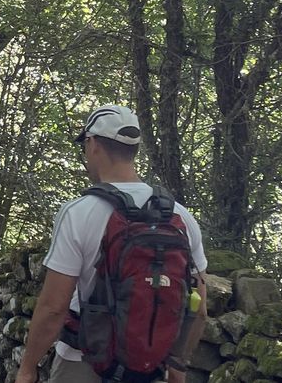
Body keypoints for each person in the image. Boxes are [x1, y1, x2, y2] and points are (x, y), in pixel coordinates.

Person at [16, 105, 209, 383]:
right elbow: (198, 308)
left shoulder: (79, 213)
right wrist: (178, 366)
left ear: (92, 144)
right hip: (149, 367)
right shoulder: (180, 216)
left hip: (83, 363)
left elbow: (53, 308)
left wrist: (27, 368)